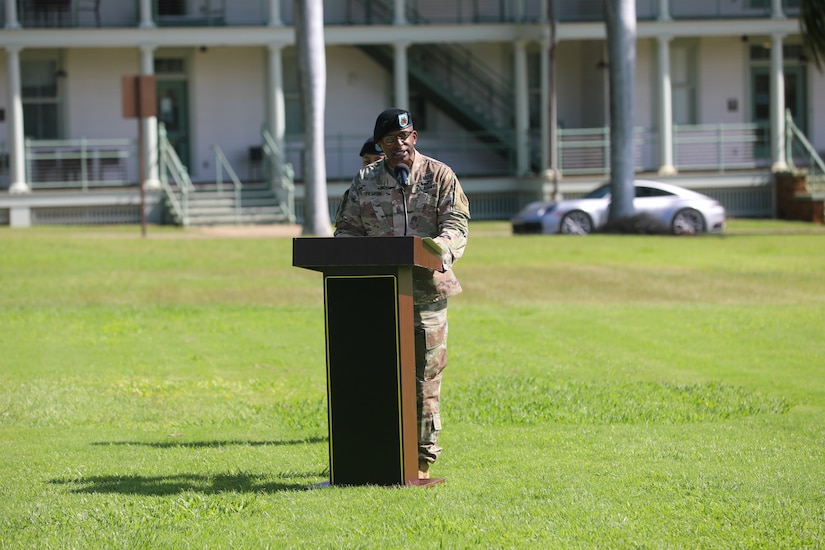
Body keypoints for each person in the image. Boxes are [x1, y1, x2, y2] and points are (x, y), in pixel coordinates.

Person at [334, 108, 470, 480]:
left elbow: (457, 226)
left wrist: (439, 248)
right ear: (379, 144)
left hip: (426, 294)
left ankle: (421, 463)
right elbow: (346, 229)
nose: (400, 145)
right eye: (390, 140)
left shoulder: (440, 176)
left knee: (424, 379)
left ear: (415, 138)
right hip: (376, 296)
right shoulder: (364, 181)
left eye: (405, 137)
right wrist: (349, 254)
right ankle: (376, 457)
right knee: (375, 377)